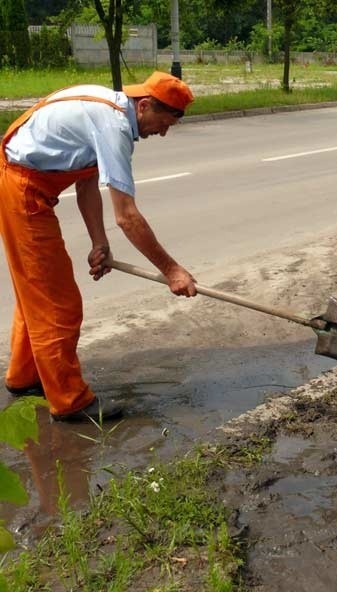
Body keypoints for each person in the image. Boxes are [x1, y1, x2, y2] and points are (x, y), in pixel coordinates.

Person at [0, 71, 198, 422]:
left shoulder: (110, 110)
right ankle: (70, 401)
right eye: (163, 123)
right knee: (58, 305)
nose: (163, 133)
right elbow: (128, 217)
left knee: (37, 292)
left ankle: (25, 376)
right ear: (146, 105)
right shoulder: (114, 128)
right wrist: (172, 271)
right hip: (22, 190)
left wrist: (99, 242)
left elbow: (87, 180)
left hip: (24, 184)